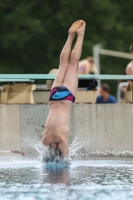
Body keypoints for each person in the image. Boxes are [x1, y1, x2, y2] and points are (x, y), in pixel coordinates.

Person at [42, 20, 86, 159]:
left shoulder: (60, 140)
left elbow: (66, 160)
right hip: (54, 98)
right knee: (63, 65)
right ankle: (70, 36)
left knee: (72, 65)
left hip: (65, 98)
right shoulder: (46, 140)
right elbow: (43, 157)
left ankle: (79, 35)